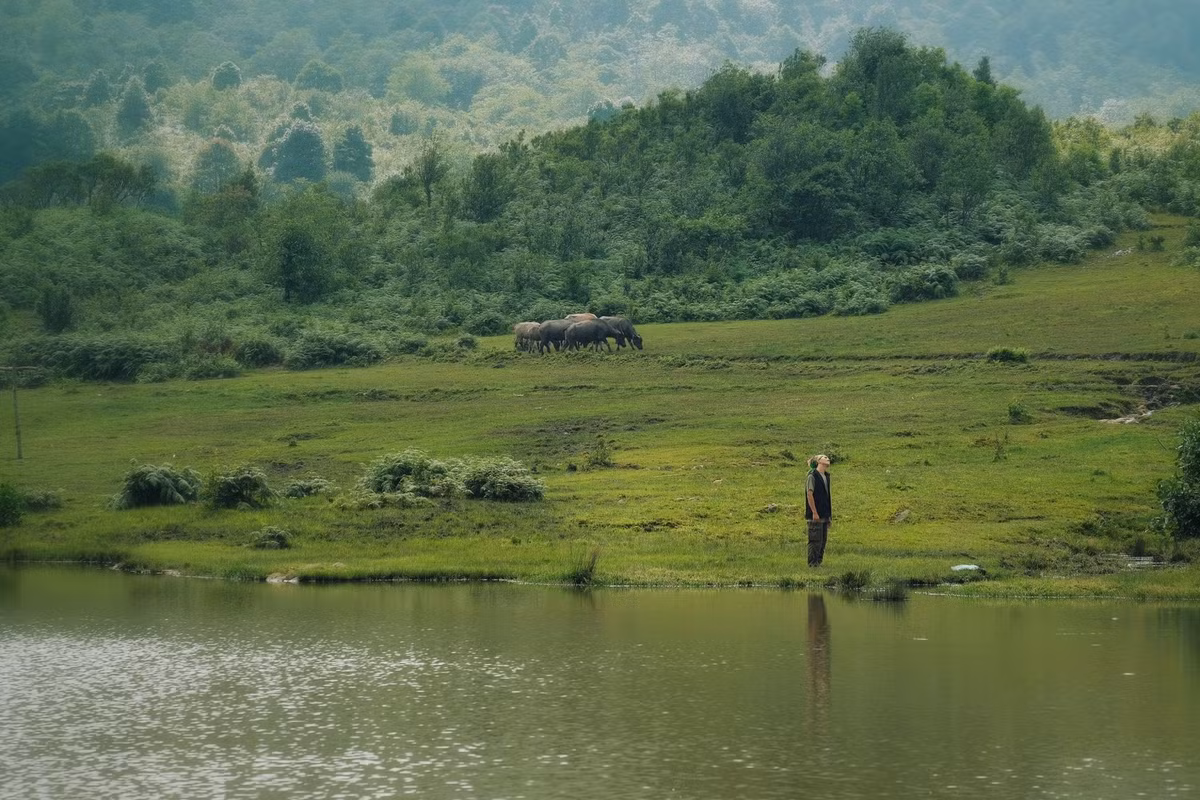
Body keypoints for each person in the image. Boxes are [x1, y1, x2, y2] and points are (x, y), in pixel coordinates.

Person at [805, 454, 832, 567]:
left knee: (823, 541)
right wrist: (814, 512)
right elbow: (809, 494)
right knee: (815, 540)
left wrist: (829, 516)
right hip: (815, 514)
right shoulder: (812, 476)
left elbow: (827, 497)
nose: (827, 458)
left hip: (824, 513)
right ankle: (812, 564)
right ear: (818, 461)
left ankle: (818, 563)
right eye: (824, 457)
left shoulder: (826, 476)